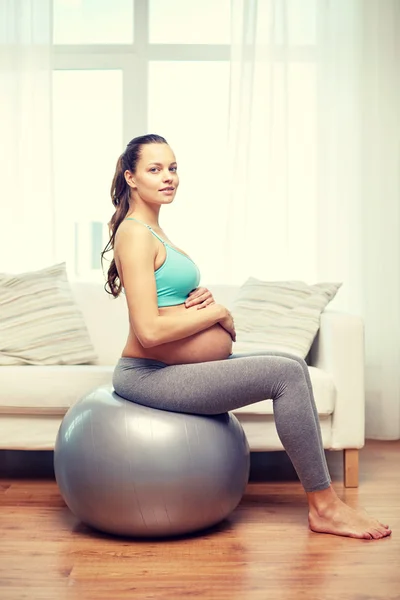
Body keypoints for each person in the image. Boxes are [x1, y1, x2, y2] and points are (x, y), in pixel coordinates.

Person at [101, 133, 391, 541]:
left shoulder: (155, 230)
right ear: (131, 177)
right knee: (284, 376)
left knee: (291, 362)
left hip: (170, 367)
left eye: (173, 167)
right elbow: (148, 332)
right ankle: (324, 508)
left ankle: (326, 503)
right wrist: (217, 313)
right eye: (155, 169)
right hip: (147, 375)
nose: (169, 177)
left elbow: (164, 306)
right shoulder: (135, 233)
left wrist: (196, 303)